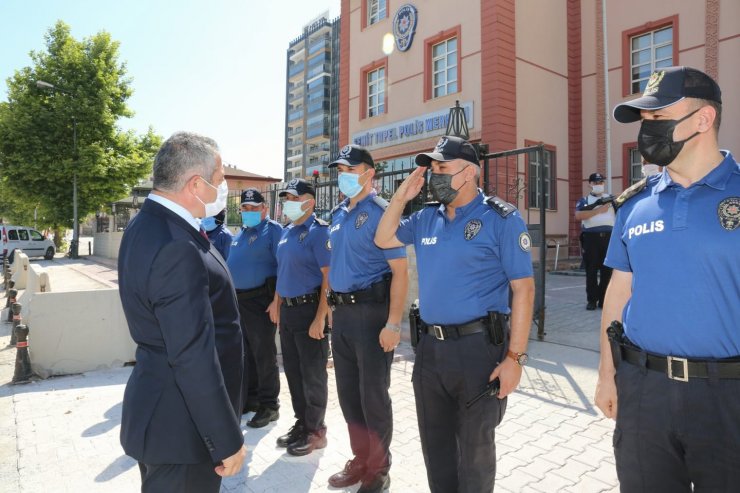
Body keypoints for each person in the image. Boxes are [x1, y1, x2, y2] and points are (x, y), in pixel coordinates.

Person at [594, 66, 740, 491]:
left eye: (657, 118)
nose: (646, 130)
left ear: (703, 119)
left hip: (726, 398)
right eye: (645, 121)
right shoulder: (635, 205)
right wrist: (607, 374)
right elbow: (618, 293)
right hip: (644, 393)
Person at [375, 135, 535, 492]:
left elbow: (523, 289)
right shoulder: (426, 218)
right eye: (432, 169)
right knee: (437, 447)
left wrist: (516, 358)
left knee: (475, 451)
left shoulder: (500, 219)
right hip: (430, 350)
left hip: (478, 351)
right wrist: (401, 196)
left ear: (469, 172)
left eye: (442, 168)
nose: (434, 175)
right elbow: (383, 238)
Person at [117, 132, 246, 493]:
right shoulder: (177, 246)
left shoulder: (148, 225)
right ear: (195, 183)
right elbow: (191, 355)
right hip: (184, 430)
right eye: (219, 179)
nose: (223, 186)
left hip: (166, 416)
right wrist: (225, 438)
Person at [325, 145, 408, 493]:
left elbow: (400, 273)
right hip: (342, 316)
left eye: (350, 168)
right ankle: (360, 459)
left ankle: (378, 469)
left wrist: (393, 323)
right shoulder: (339, 213)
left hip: (371, 315)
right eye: (340, 169)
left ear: (369, 173)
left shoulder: (381, 212)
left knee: (373, 395)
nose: (343, 174)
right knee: (348, 395)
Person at [269, 178, 331, 456]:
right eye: (287, 199)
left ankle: (317, 431)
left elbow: (329, 279)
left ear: (310, 201)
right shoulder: (286, 232)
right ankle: (302, 423)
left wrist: (321, 317)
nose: (288, 204)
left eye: (294, 198)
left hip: (310, 310)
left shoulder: (319, 233)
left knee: (312, 374)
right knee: (293, 373)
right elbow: (283, 272)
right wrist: (277, 302)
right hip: (289, 311)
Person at [226, 188, 282, 426]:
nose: (248, 212)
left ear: (265, 209)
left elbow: (284, 267)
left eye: (254, 208)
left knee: (263, 353)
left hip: (261, 301)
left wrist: (276, 302)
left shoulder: (273, 231)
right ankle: (252, 398)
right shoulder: (241, 233)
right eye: (245, 208)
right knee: (246, 353)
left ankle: (270, 405)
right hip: (240, 301)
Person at [574, 172, 614, 310]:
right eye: (596, 182)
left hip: (609, 238)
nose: (599, 185)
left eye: (601, 182)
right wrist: (599, 210)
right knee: (591, 271)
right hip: (591, 238)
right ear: (590, 184)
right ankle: (592, 300)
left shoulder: (611, 199)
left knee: (607, 272)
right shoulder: (584, 200)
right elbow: (579, 215)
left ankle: (604, 300)